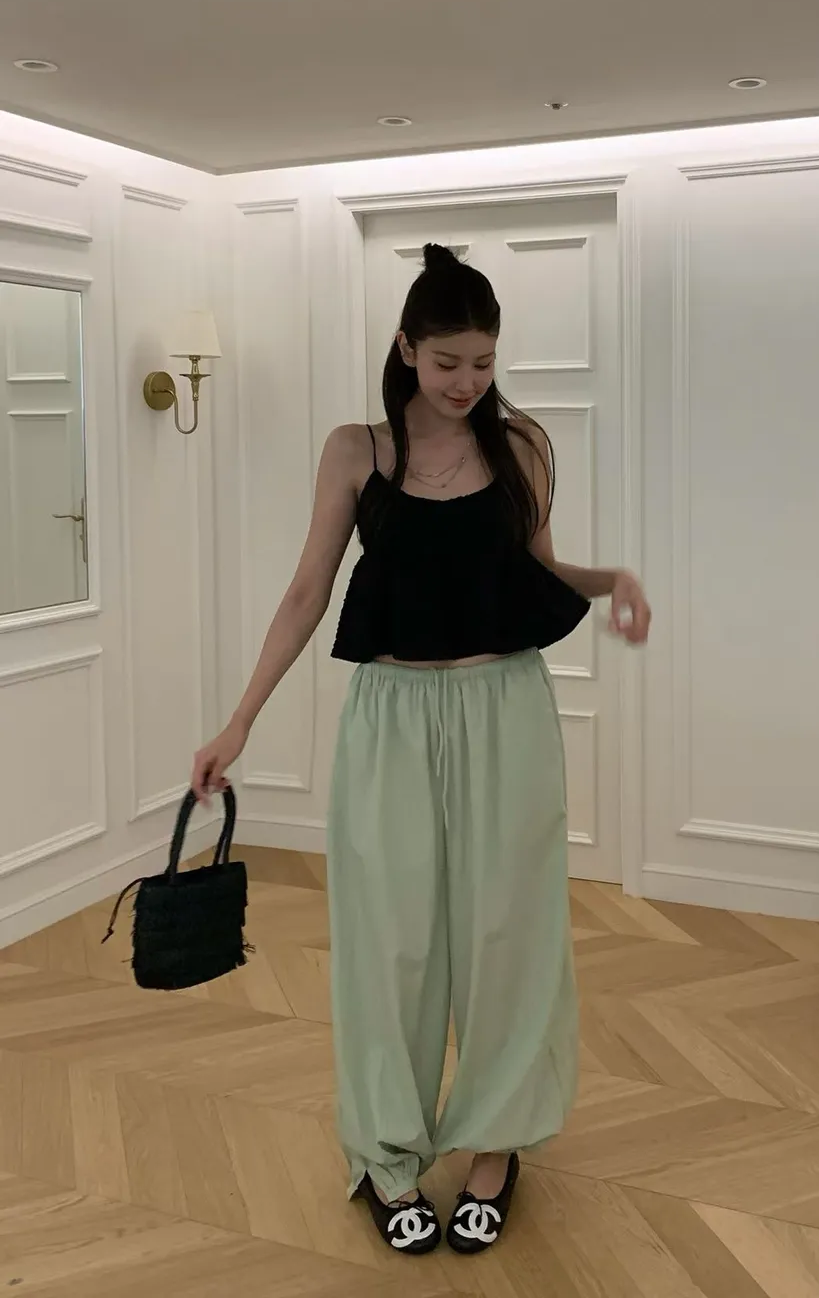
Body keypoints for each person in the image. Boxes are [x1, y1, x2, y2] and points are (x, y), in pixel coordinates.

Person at [191, 243, 651, 1258]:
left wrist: (609, 576)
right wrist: (240, 720)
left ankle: (495, 1146)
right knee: (388, 936)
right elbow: (307, 592)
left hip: (505, 707)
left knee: (508, 931)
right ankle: (388, 1153)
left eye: (483, 361)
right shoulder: (355, 451)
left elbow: (535, 569)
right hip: (391, 713)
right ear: (405, 348)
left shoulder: (522, 444)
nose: (466, 382)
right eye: (448, 362)